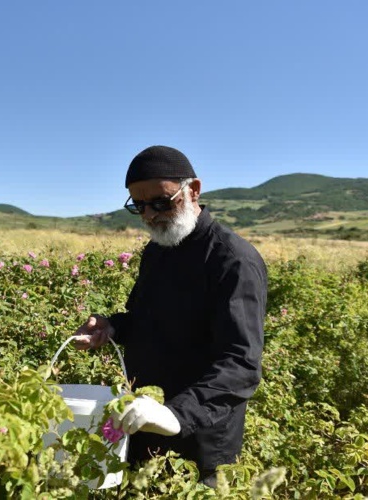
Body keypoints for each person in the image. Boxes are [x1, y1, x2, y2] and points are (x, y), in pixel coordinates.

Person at [74, 145, 267, 488]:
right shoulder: (159, 248)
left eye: (162, 202)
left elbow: (240, 365)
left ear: (193, 190)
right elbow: (149, 319)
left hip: (199, 441)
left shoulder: (233, 261)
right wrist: (113, 326)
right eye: (139, 205)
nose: (149, 215)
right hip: (144, 424)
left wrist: (175, 414)